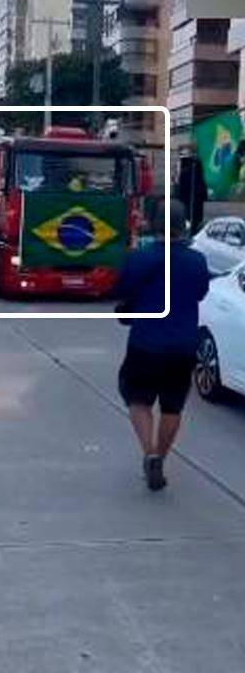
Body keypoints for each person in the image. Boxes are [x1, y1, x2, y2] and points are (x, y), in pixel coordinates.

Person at [113, 200, 210, 491]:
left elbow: (122, 290)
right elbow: (201, 292)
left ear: (154, 226)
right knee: (172, 407)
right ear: (184, 228)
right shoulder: (197, 261)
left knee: (138, 398)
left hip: (146, 342)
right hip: (182, 345)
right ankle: (160, 459)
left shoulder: (141, 257)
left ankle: (150, 451)